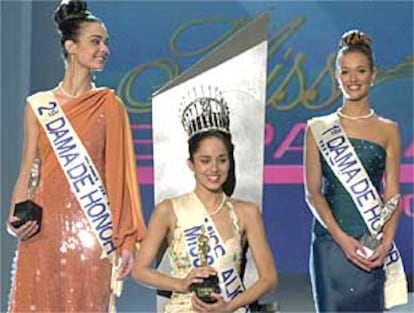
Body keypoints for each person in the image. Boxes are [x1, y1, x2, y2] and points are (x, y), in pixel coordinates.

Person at [7, 0, 146, 311]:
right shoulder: (38, 105)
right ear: (71, 46)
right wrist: (14, 217)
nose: (104, 49)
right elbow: (29, 168)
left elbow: (120, 178)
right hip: (42, 233)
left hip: (92, 237)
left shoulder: (110, 105)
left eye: (106, 43)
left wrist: (125, 241)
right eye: (95, 41)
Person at [132, 92, 277, 312]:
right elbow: (139, 270)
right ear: (191, 164)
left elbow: (269, 278)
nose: (214, 169)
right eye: (205, 161)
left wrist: (229, 307)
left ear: (230, 161)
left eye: (222, 160)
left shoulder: (247, 212)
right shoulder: (168, 210)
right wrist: (180, 283)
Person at [304, 29, 407, 312]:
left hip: (370, 244)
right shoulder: (317, 129)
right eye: (345, 72)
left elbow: (393, 193)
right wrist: (341, 239)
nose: (353, 79)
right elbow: (313, 194)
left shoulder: (389, 130)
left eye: (360, 71)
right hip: (330, 245)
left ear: (373, 75)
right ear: (337, 77)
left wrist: (386, 242)